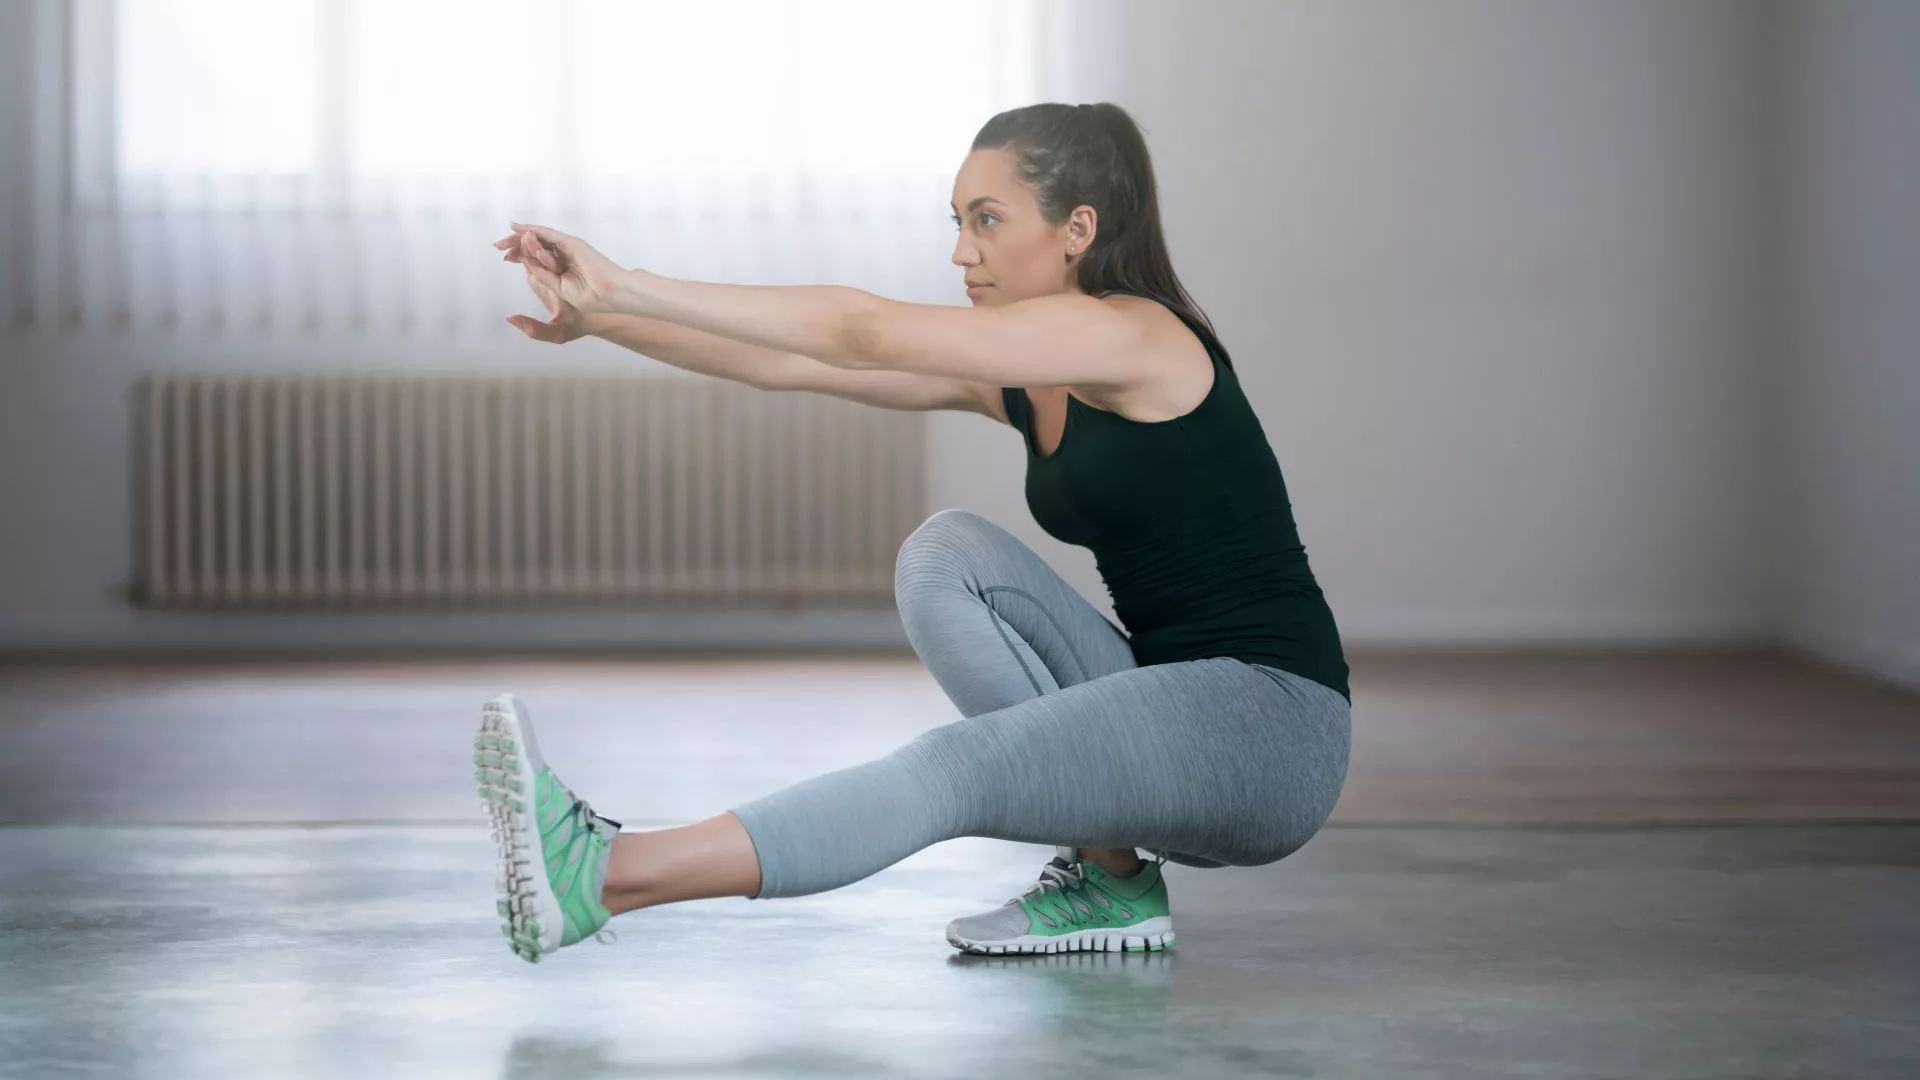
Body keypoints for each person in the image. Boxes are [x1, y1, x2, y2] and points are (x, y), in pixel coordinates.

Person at [476, 102, 1351, 964]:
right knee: (948, 553)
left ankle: (605, 875)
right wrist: (605, 321)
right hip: (1167, 700)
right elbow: (796, 361)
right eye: (958, 221)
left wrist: (625, 279)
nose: (961, 250)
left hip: (1270, 731)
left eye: (988, 220)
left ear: (1076, 228)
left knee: (960, 768)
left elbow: (860, 332)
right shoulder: (1024, 377)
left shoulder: (1134, 335)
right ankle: (1114, 881)